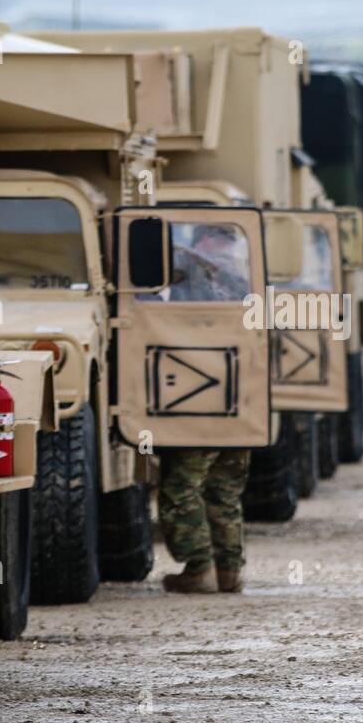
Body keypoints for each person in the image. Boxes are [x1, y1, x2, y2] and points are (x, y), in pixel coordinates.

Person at [159, 222, 251, 593]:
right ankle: (229, 570)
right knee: (225, 488)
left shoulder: (190, 267)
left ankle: (200, 567)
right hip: (243, 402)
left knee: (181, 485)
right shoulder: (246, 277)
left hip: (198, 394)